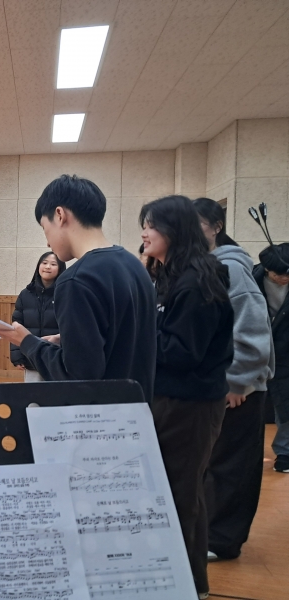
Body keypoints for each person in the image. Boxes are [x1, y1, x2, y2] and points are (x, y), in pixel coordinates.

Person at [0, 175, 157, 402]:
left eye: (45, 229)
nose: (47, 243)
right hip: (138, 409)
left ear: (60, 215)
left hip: (100, 416)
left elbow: (78, 377)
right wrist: (66, 339)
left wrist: (27, 342)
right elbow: (121, 341)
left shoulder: (76, 280)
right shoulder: (133, 264)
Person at [140, 195, 234, 599]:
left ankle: (184, 585)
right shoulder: (172, 275)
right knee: (181, 491)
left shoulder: (197, 281)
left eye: (151, 225)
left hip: (191, 403)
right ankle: (189, 583)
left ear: (174, 231)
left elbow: (182, 353)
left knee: (180, 494)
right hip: (173, 398)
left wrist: (137, 333)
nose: (144, 233)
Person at [193, 198, 275, 562]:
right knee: (213, 464)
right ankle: (209, 534)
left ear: (216, 227)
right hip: (216, 387)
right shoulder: (205, 267)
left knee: (232, 467)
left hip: (239, 389)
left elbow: (254, 334)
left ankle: (222, 541)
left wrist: (237, 382)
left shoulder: (231, 269)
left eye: (196, 225)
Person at [253, 243, 289, 473]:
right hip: (255, 349)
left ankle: (285, 452)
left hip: (286, 351)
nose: (285, 278)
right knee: (248, 403)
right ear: (267, 269)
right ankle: (246, 453)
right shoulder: (251, 279)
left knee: (286, 404)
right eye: (279, 274)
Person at [10, 251, 66, 381]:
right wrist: (17, 355)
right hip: (31, 356)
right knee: (33, 393)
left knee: (57, 393)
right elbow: (16, 326)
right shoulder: (25, 294)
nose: (47, 267)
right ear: (38, 266)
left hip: (57, 358)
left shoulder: (65, 293)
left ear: (60, 269)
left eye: (53, 264)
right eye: (44, 263)